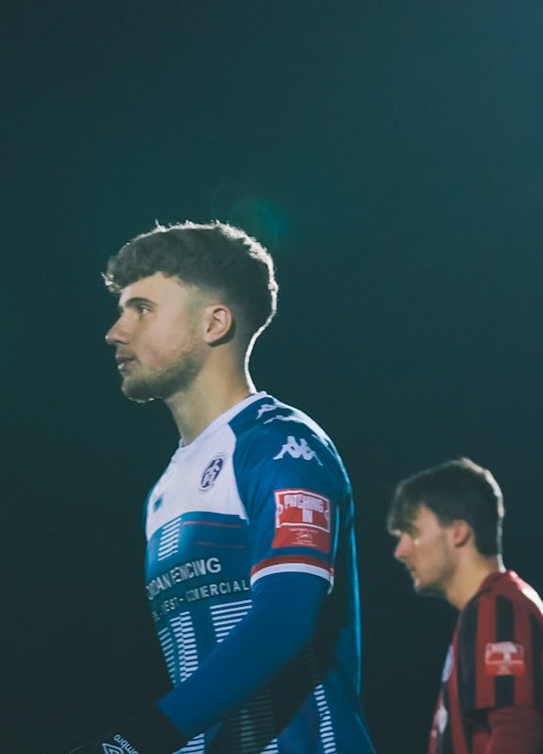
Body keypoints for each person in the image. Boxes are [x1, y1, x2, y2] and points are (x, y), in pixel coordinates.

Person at [69, 221, 375, 754]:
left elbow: (285, 616)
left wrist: (131, 744)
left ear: (214, 323)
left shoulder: (281, 444)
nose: (115, 331)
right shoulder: (163, 490)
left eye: (142, 309)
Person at [388, 459, 543, 754]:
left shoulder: (498, 607)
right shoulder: (498, 605)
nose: (401, 551)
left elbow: (516, 730)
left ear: (458, 531)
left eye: (412, 531)